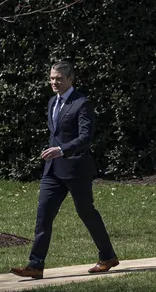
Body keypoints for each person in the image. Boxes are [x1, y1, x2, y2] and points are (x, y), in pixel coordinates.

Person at [10, 61, 119, 279]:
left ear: (70, 79)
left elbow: (85, 138)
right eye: (51, 78)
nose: (54, 82)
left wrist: (61, 150)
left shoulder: (82, 104)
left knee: (86, 213)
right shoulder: (52, 102)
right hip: (52, 171)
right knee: (43, 216)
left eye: (58, 78)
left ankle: (107, 256)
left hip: (76, 169)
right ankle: (36, 265)